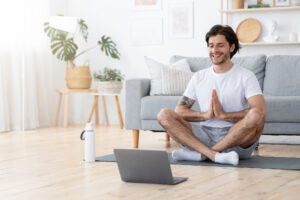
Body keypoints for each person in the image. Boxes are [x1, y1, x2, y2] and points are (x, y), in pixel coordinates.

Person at [157, 25, 266, 166]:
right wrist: (206, 115)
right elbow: (180, 111)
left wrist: (224, 116)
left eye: (220, 45)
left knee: (256, 114)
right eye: (211, 46)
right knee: (164, 114)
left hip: (236, 139)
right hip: (203, 135)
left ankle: (202, 155)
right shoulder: (199, 77)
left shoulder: (246, 76)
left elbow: (260, 111)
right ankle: (214, 155)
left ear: (232, 47)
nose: (214, 50)